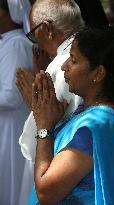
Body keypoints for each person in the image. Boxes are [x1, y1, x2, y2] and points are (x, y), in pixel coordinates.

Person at [29, 26, 114, 205]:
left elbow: (46, 193)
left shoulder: (96, 125)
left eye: (73, 60)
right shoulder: (93, 113)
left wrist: (44, 127)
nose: (64, 67)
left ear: (98, 73)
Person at [17, 0, 109, 162]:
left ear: (47, 29)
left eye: (33, 35)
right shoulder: (94, 50)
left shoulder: (61, 65)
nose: (36, 43)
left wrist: (35, 104)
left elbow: (36, 149)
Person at [0, 0, 34, 204]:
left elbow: (11, 96)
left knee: (10, 183)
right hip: (5, 124)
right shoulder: (8, 42)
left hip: (11, 128)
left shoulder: (17, 43)